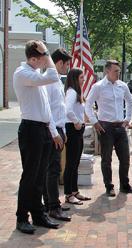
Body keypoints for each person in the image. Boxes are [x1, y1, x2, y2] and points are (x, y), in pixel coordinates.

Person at [13, 40, 60, 234]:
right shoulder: (22, 73)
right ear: (33, 58)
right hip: (31, 130)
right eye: (42, 59)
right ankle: (21, 218)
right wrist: (47, 52)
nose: (45, 62)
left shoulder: (35, 75)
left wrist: (52, 130)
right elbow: (54, 75)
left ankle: (38, 214)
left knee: (39, 176)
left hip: (42, 129)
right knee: (30, 176)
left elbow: (45, 108)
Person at [85, 60, 132, 196]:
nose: (118, 74)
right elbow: (88, 104)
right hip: (105, 127)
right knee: (106, 159)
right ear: (107, 71)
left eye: (119, 71)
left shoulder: (122, 86)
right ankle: (109, 186)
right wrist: (95, 122)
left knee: (125, 158)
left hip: (120, 127)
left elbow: (130, 102)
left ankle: (125, 185)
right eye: (115, 71)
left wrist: (127, 119)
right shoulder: (98, 86)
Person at [42, 48, 72, 221]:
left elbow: (60, 110)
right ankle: (53, 207)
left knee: (52, 169)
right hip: (52, 131)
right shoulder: (48, 82)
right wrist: (55, 133)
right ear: (59, 63)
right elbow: (47, 111)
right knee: (52, 170)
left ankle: (51, 203)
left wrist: (64, 131)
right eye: (66, 64)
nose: (68, 67)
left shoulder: (57, 81)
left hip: (59, 129)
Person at [64, 68, 91, 205]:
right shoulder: (72, 92)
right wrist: (76, 121)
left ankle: (74, 191)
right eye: (81, 78)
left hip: (78, 130)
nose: (84, 80)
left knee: (75, 163)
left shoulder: (77, 92)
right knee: (71, 163)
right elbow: (67, 110)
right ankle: (68, 194)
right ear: (75, 79)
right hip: (73, 130)